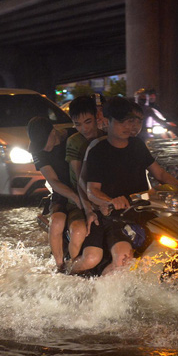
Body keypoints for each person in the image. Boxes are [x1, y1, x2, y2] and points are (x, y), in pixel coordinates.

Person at [73, 96, 178, 275]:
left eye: (132, 121)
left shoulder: (138, 145)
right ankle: (99, 298)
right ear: (108, 121)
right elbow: (92, 190)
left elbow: (161, 174)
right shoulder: (98, 152)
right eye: (122, 122)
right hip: (115, 216)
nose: (129, 126)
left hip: (143, 210)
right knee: (123, 258)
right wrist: (111, 201)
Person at [27, 116, 86, 272]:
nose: (42, 148)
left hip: (84, 189)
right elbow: (53, 181)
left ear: (53, 132)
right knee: (57, 221)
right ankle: (59, 266)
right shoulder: (38, 151)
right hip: (61, 193)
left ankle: (78, 265)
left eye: (44, 143)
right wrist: (74, 197)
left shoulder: (74, 137)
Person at [65, 95, 106, 258]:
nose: (84, 129)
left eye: (88, 122)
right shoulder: (74, 142)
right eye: (77, 124)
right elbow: (80, 181)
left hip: (104, 199)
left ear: (97, 117)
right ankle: (70, 271)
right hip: (79, 202)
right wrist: (89, 210)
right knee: (79, 231)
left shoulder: (107, 138)